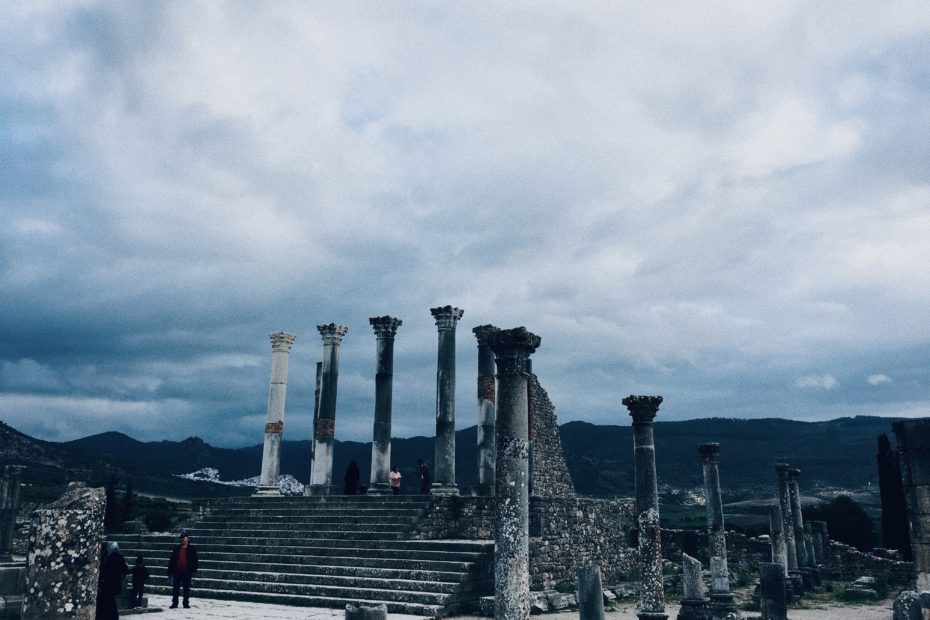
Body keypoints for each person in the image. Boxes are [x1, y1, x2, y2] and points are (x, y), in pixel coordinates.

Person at [96, 541, 129, 620]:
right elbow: (125, 569)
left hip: (107, 584)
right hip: (116, 584)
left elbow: (104, 571)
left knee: (107, 602)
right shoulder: (120, 557)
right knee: (111, 602)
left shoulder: (108, 557)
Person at [167, 532, 198, 609]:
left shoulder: (192, 549)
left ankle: (185, 603)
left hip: (187, 572)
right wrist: (170, 571)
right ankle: (175, 603)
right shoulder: (176, 549)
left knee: (186, 588)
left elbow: (195, 560)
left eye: (184, 539)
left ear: (187, 539)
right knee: (175, 588)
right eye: (181, 539)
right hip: (177, 571)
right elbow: (172, 560)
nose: (182, 540)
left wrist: (193, 570)